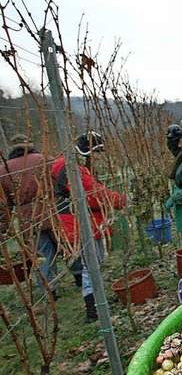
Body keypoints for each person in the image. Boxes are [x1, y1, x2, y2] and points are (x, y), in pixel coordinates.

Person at [52, 131, 127, 322]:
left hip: (79, 222)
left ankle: (96, 303)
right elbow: (96, 197)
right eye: (99, 152)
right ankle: (93, 309)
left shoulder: (73, 167)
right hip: (81, 224)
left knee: (92, 264)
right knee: (91, 266)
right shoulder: (74, 171)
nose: (101, 157)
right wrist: (123, 199)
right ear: (89, 152)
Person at [0, 134, 59, 299]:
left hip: (28, 218)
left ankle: (49, 291)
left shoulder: (3, 170)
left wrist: (4, 227)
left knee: (43, 254)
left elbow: (3, 204)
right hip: (52, 210)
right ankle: (79, 277)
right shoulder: (45, 159)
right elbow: (61, 181)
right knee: (67, 246)